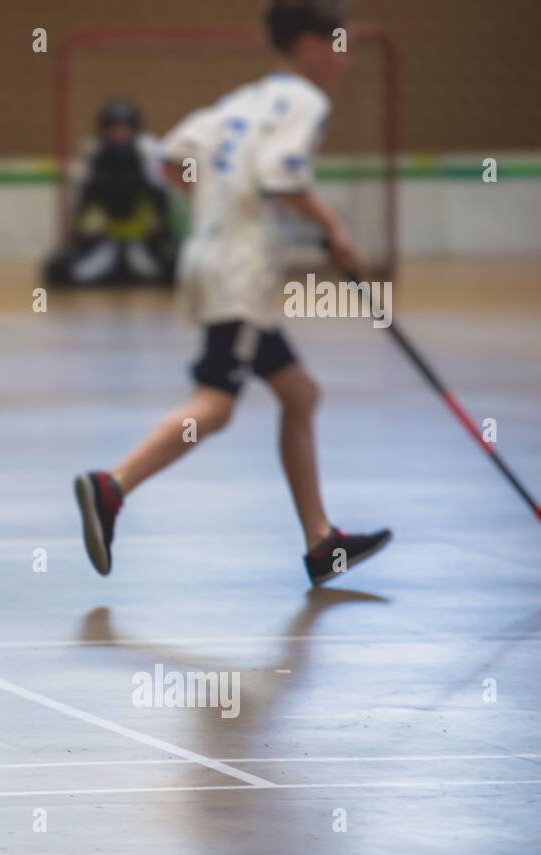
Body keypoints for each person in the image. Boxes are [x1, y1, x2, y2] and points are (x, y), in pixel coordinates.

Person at [73, 0, 391, 587]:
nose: (343, 59)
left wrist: (219, 202)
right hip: (240, 271)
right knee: (215, 404)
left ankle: (321, 541)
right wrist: (334, 229)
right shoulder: (306, 102)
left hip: (208, 259)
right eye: (338, 44)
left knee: (299, 392)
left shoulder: (244, 100)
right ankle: (111, 487)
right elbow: (280, 175)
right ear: (308, 45)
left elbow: (172, 161)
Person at [45, 98, 177, 287]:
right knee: (58, 270)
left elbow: (160, 199)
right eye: (114, 128)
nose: (119, 134)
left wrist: (166, 236)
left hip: (142, 239)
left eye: (124, 128)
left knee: (172, 269)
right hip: (109, 238)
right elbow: (86, 199)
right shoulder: (95, 155)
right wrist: (76, 235)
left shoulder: (146, 153)